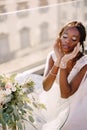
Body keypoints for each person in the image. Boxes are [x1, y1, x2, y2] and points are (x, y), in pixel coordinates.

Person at [41, 21, 87, 130]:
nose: (67, 41)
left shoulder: (84, 63)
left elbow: (65, 94)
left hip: (77, 104)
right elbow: (46, 87)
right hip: (55, 100)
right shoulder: (53, 56)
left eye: (74, 39)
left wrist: (63, 62)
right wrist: (58, 61)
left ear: (80, 43)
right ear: (59, 37)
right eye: (65, 37)